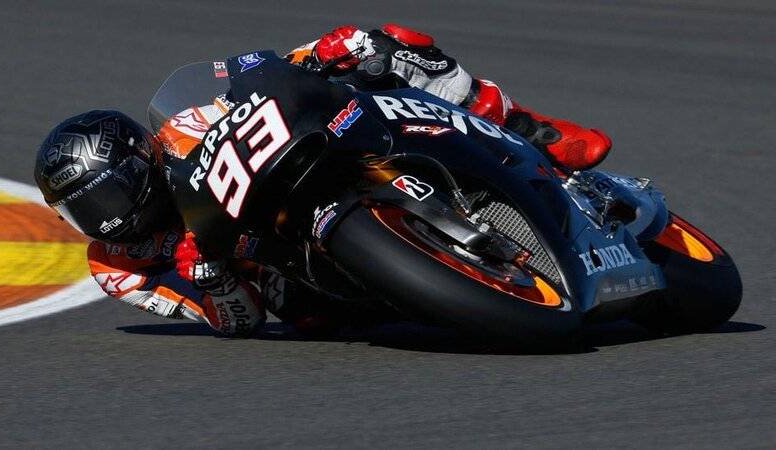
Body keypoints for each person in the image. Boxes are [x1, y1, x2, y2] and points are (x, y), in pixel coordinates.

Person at [33, 24, 612, 337]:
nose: (105, 219)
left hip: (301, 160)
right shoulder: (115, 267)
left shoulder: (181, 128)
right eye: (82, 210)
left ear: (140, 160)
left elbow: (255, 82)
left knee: (388, 45)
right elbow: (238, 322)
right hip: (286, 266)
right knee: (303, 312)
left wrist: (321, 53)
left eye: (106, 195)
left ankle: (528, 129)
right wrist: (214, 281)